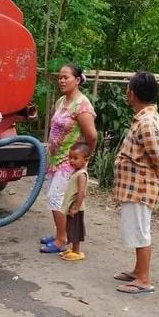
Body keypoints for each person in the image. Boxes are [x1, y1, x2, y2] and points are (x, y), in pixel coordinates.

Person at [113, 71, 159, 294]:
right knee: (137, 229)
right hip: (136, 186)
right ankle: (138, 271)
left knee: (140, 231)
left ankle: (144, 280)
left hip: (139, 188)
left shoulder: (146, 122)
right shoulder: (144, 118)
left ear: (132, 93)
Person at [41, 64, 97, 253]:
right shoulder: (61, 101)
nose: (62, 81)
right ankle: (60, 232)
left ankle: (61, 239)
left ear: (78, 80)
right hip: (55, 159)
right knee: (55, 198)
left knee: (56, 198)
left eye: (66, 77)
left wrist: (86, 157)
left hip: (69, 161)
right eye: (60, 77)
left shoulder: (82, 105)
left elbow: (92, 135)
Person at [58, 143, 90, 261]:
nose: (71, 161)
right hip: (71, 207)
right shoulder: (76, 172)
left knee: (75, 230)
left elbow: (82, 193)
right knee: (70, 228)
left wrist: (76, 207)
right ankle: (73, 249)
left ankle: (77, 251)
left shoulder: (81, 175)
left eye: (75, 158)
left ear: (85, 160)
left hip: (76, 208)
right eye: (70, 157)